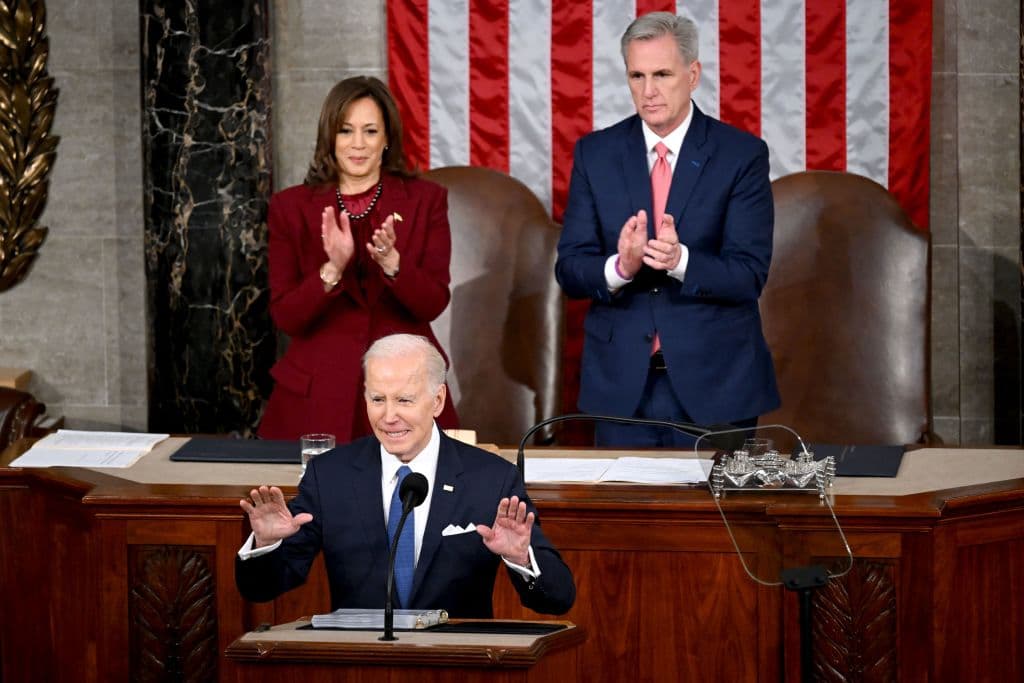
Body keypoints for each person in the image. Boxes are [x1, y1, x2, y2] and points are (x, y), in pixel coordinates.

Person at [555, 12, 780, 447]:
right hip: (621, 388)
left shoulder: (741, 155)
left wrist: (682, 262)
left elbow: (749, 273)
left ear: (692, 75)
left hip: (716, 383)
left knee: (712, 519)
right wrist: (620, 267)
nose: (648, 91)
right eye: (637, 76)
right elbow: (570, 269)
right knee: (627, 517)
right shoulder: (595, 154)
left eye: (662, 74)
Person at [236, 334, 576, 618]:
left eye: (404, 400)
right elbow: (262, 589)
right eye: (377, 399)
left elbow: (558, 598)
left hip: (456, 667)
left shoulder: (491, 479)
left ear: (438, 400)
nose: (388, 416)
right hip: (358, 667)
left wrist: (520, 558)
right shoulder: (330, 476)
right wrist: (266, 545)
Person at [258, 76, 458, 441]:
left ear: (386, 139)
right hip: (319, 393)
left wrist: (393, 266)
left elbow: (432, 303)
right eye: (346, 131)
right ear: (329, 138)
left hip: (402, 388)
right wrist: (331, 270)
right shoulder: (290, 207)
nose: (358, 144)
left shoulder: (426, 200)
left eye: (370, 131)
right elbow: (287, 316)